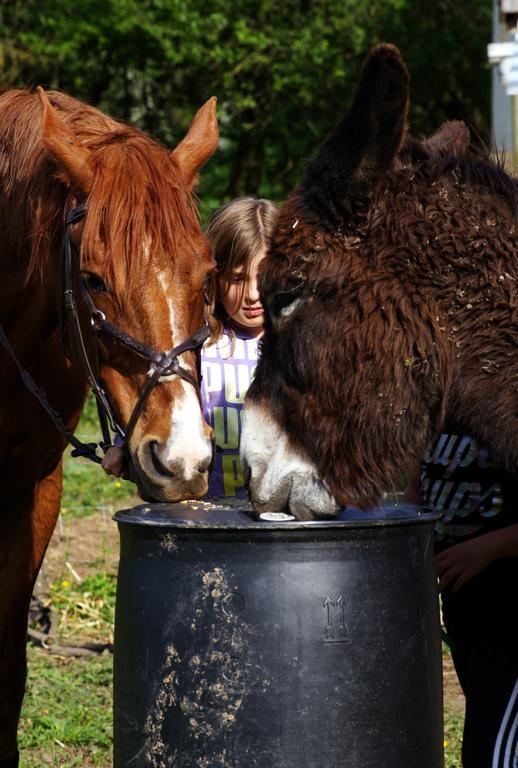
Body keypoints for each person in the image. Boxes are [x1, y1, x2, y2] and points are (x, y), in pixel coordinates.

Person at [102, 196, 278, 497]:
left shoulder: (295, 347)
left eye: (262, 278)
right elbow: (165, 403)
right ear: (213, 276)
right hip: (203, 514)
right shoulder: (197, 345)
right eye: (237, 279)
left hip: (275, 520)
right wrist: (125, 448)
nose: (252, 294)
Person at [405, 423, 518, 767]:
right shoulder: (441, 407)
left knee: (490, 754)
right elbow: (416, 493)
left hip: (510, 612)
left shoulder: (507, 397)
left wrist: (485, 550)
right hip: (463, 609)